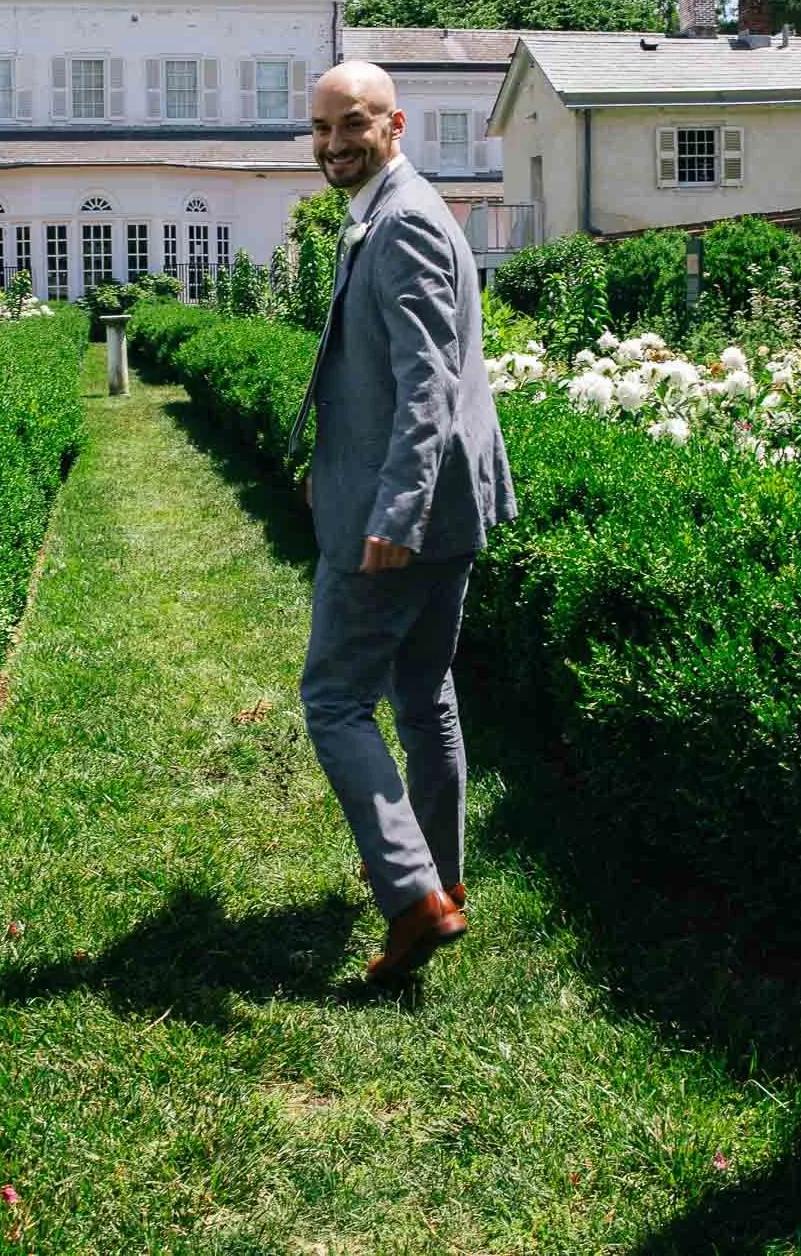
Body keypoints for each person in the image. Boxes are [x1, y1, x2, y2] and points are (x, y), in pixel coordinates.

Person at [286, 60, 516, 984]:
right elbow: (387, 374)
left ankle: (414, 893)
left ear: (396, 123)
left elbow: (431, 385)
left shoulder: (407, 221)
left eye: (353, 124)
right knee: (425, 699)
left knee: (335, 699)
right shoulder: (392, 210)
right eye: (321, 128)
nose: (334, 143)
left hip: (407, 514)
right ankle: (445, 884)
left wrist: (393, 509)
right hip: (436, 506)